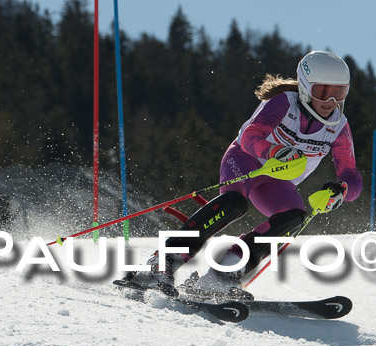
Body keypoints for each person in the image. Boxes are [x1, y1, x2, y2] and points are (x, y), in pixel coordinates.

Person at [122, 50, 362, 300]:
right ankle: (161, 263)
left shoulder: (338, 127)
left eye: (339, 93)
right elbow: (250, 136)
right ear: (304, 87)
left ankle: (223, 276)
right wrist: (274, 150)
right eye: (323, 92)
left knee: (293, 217)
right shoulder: (284, 102)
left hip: (277, 182)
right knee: (233, 204)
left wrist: (341, 191)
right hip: (246, 161)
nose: (331, 101)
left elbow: (351, 174)